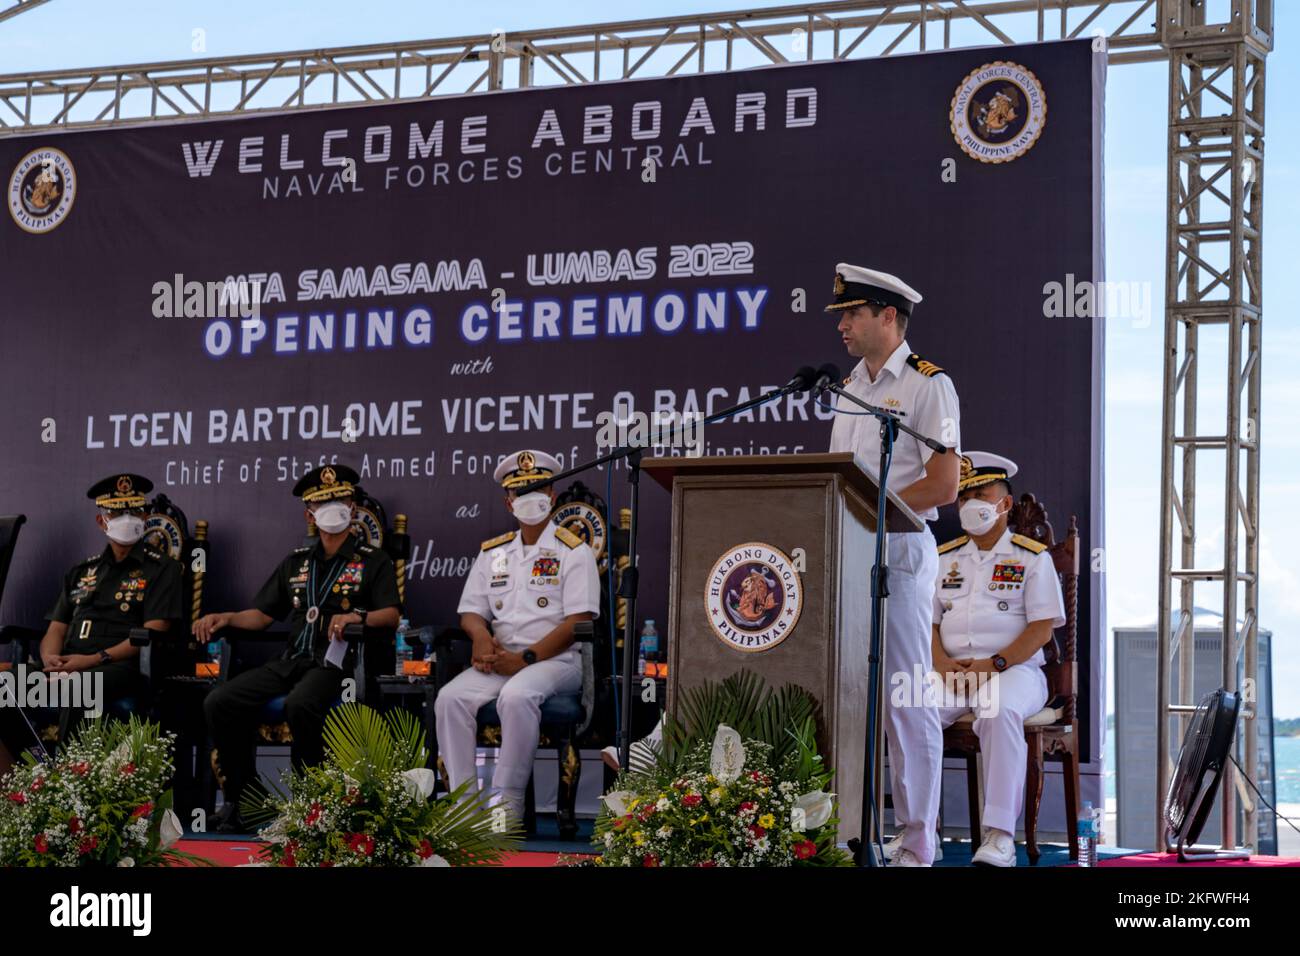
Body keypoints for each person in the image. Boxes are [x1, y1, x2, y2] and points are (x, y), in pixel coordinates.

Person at [826, 263, 961, 867]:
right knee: (848, 696)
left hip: (900, 553)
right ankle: (849, 831)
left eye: (852, 314)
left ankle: (917, 843)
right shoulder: (848, 388)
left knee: (905, 700)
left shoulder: (929, 386)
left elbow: (947, 481)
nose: (843, 327)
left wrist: (876, 503)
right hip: (847, 554)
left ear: (888, 316)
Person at [193, 464, 401, 832]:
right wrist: (226, 617)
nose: (333, 507)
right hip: (292, 660)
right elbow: (261, 616)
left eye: (340, 499)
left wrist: (357, 617)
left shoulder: (373, 560)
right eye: (324, 503)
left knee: (300, 704)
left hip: (337, 664)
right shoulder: (296, 562)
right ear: (309, 514)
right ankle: (248, 801)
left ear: (353, 508)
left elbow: (391, 615)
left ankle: (312, 805)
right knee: (220, 700)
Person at [435, 449, 599, 822]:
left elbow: (578, 621)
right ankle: (463, 808)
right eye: (520, 493)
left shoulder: (574, 551)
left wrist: (525, 659)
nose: (530, 499)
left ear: (552, 496)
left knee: (517, 696)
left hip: (557, 662)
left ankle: (507, 808)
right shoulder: (494, 553)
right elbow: (471, 611)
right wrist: (479, 636)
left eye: (538, 489)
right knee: (450, 699)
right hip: (501, 658)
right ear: (508, 503)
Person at [932, 452, 1065, 867]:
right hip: (952, 672)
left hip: (1015, 671)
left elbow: (1042, 629)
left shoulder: (1032, 557)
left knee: (995, 710)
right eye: (964, 496)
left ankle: (1000, 836)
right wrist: (940, 664)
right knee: (910, 709)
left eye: (981, 495)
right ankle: (919, 830)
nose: (970, 505)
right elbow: (930, 624)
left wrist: (995, 666)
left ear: (1003, 504)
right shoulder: (944, 557)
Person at [0, 473, 183, 770]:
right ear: (101, 521)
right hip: (66, 667)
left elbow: (155, 630)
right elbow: (56, 628)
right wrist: (51, 660)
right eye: (116, 512)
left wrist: (89, 660)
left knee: (77, 688)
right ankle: (32, 774)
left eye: (134, 510)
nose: (126, 518)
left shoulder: (162, 568)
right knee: (4, 687)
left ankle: (71, 788)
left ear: (146, 515)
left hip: (119, 670)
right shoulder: (82, 570)